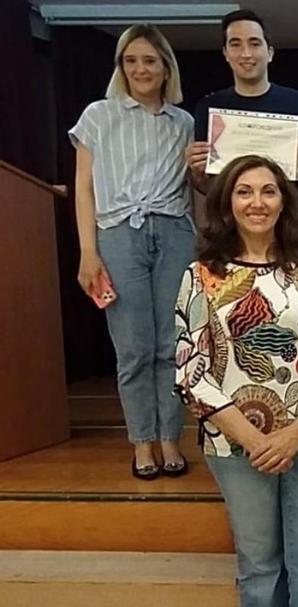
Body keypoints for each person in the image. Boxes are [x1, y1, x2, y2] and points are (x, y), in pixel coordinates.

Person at [174, 154, 298, 607]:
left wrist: (295, 431)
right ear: (226, 202)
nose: (257, 202)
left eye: (268, 191)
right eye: (244, 191)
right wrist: (254, 438)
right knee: (259, 570)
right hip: (234, 446)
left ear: (284, 200)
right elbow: (190, 370)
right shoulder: (202, 275)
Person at [70, 23, 194, 480]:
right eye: (131, 60)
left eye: (150, 60)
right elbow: (83, 190)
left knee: (171, 346)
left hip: (175, 232)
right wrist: (88, 251)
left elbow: (195, 185)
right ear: (121, 67)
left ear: (166, 68)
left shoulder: (183, 123)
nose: (141, 69)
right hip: (119, 235)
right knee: (135, 348)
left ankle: (169, 439)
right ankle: (142, 442)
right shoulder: (97, 116)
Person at [185, 9, 298, 250]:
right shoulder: (210, 107)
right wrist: (197, 173)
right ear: (226, 54)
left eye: (254, 43)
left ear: (269, 52)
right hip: (230, 234)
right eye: (235, 44)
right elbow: (209, 186)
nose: (246, 53)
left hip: (291, 231)